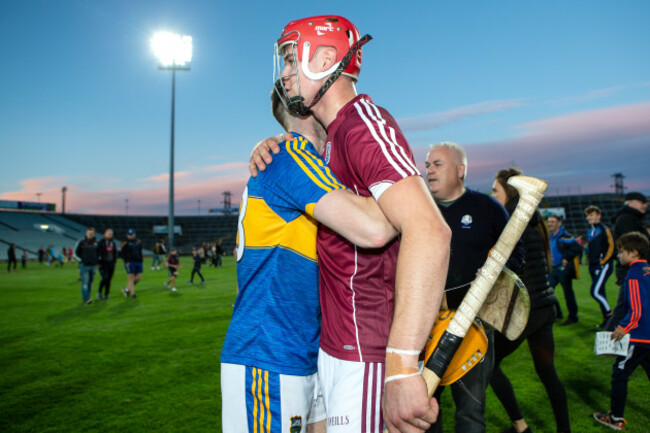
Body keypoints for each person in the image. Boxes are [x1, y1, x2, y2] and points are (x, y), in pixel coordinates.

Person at [251, 15, 452, 432]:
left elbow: (430, 230)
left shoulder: (364, 123)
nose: (285, 75)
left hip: (366, 352)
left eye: (291, 61)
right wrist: (272, 143)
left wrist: (399, 368)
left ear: (325, 59)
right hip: (338, 345)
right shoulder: (335, 136)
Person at [222, 88, 401, 433]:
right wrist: (407, 195)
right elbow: (375, 228)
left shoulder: (296, 160)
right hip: (269, 354)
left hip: (303, 349)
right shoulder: (291, 155)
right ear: (307, 107)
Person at [424, 144, 524, 433]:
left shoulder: (487, 207)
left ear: (461, 170)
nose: (429, 169)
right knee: (424, 407)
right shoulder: (418, 206)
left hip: (474, 320)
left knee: (470, 412)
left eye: (438, 164)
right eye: (427, 163)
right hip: (424, 321)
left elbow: (516, 253)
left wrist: (498, 272)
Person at [490, 168, 571, 433]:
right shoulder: (534, 220)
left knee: (486, 364)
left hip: (526, 309)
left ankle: (520, 427)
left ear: (510, 192)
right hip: (546, 306)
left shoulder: (513, 220)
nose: (492, 196)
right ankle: (564, 430)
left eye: (495, 191)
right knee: (548, 373)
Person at [593, 231, 650, 431]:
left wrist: (624, 327)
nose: (619, 255)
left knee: (620, 372)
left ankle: (615, 418)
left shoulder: (633, 273)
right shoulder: (648, 270)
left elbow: (637, 308)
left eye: (621, 251)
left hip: (640, 337)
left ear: (634, 252)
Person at [606, 192, 648, 331]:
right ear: (630, 203)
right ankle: (609, 340)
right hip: (633, 269)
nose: (645, 205)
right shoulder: (627, 219)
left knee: (627, 305)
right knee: (624, 306)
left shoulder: (630, 219)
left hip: (634, 268)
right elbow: (634, 247)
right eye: (641, 201)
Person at [547, 215, 582, 325]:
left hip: (563, 269)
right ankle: (558, 313)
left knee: (568, 293)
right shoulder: (550, 236)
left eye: (553, 221)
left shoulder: (565, 236)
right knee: (548, 291)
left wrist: (566, 257)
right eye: (549, 222)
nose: (550, 224)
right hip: (553, 269)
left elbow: (576, 247)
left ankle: (573, 317)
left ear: (559, 223)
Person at [585, 205, 615, 328]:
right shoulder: (590, 231)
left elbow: (612, 247)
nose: (589, 217)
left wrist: (603, 262)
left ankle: (610, 315)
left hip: (603, 266)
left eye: (591, 215)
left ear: (599, 215)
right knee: (601, 292)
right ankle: (606, 320)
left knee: (595, 292)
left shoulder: (605, 229)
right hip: (593, 266)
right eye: (587, 215)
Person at [74, 227, 98, 305]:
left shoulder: (96, 243)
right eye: (88, 233)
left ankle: (88, 297)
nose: (90, 234)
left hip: (93, 266)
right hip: (84, 266)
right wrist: (82, 260)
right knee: (85, 282)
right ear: (86, 233)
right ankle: (86, 299)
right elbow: (75, 253)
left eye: (91, 233)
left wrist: (97, 261)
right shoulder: (81, 242)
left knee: (90, 283)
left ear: (94, 234)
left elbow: (99, 254)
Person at [120, 229, 142, 299]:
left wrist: (141, 260)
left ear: (134, 234)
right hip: (130, 262)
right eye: (129, 235)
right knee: (131, 279)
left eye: (132, 234)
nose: (130, 236)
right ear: (127, 235)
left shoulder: (138, 242)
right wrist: (126, 261)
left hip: (138, 262)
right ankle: (133, 294)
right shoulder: (125, 242)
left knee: (138, 278)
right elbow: (122, 253)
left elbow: (140, 251)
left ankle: (126, 290)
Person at [97, 228, 118, 300]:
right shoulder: (101, 242)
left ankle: (106, 294)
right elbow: (97, 252)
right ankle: (99, 292)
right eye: (109, 233)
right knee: (105, 278)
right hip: (103, 264)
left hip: (111, 264)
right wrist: (98, 262)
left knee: (109, 279)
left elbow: (115, 252)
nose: (110, 235)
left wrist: (115, 261)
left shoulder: (113, 243)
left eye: (111, 234)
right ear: (104, 234)